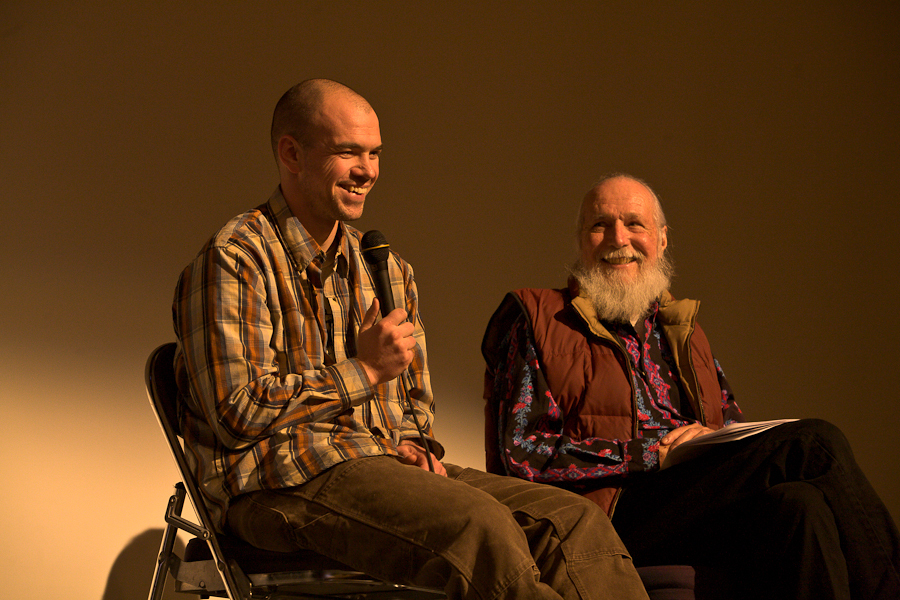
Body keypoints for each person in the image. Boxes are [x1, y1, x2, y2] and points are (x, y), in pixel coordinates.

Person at [172, 80, 649, 600]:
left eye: (375, 153)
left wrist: (413, 442)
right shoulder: (237, 259)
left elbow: (414, 405)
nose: (368, 171)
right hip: (277, 482)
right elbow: (236, 411)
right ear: (292, 153)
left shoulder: (386, 269)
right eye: (348, 152)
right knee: (478, 526)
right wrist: (365, 371)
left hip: (375, 465)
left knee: (574, 521)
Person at [482, 173, 900, 600]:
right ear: (580, 241)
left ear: (662, 240)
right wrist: (657, 455)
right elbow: (523, 455)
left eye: (634, 224)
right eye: (599, 225)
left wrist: (714, 442)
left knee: (801, 505)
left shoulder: (685, 332)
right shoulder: (536, 318)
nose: (617, 238)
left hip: (694, 507)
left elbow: (737, 436)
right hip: (605, 515)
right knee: (815, 443)